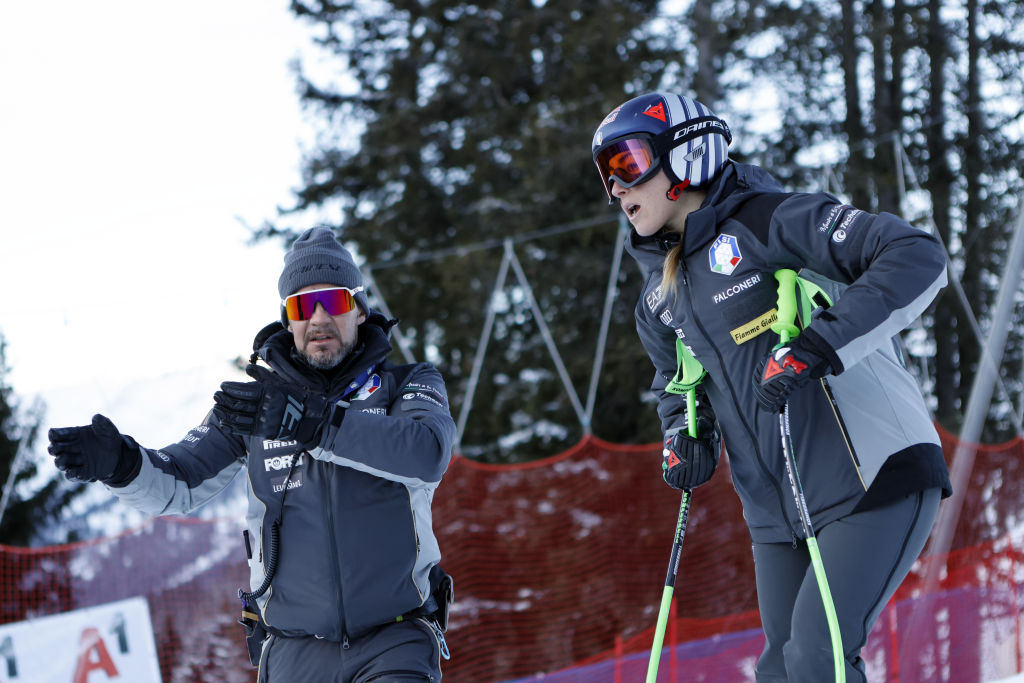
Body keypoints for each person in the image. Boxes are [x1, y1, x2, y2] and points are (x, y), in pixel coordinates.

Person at [591, 92, 952, 682]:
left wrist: (818, 345)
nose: (616, 189)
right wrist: (687, 435)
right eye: (606, 175)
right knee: (780, 671)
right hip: (776, 511)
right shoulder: (659, 301)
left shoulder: (769, 220)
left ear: (684, 154)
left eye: (628, 164)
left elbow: (915, 255)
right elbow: (676, 387)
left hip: (872, 475)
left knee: (816, 661)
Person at [48, 227, 456, 682]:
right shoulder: (255, 408)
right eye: (303, 305)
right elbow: (179, 482)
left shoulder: (406, 384)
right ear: (288, 321)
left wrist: (314, 424)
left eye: (334, 301)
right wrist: (123, 465)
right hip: (292, 652)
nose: (318, 317)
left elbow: (428, 452)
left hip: (393, 640)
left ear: (359, 310)